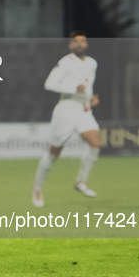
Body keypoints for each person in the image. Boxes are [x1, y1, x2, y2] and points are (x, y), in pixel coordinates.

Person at [32, 30, 100, 207]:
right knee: (54, 153)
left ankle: (80, 181)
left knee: (95, 143)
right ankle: (37, 188)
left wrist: (91, 98)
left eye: (83, 42)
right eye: (76, 42)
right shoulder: (65, 63)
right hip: (66, 110)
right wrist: (72, 88)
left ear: (86, 44)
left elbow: (87, 86)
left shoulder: (92, 63)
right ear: (71, 45)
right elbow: (50, 84)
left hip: (83, 110)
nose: (80, 45)